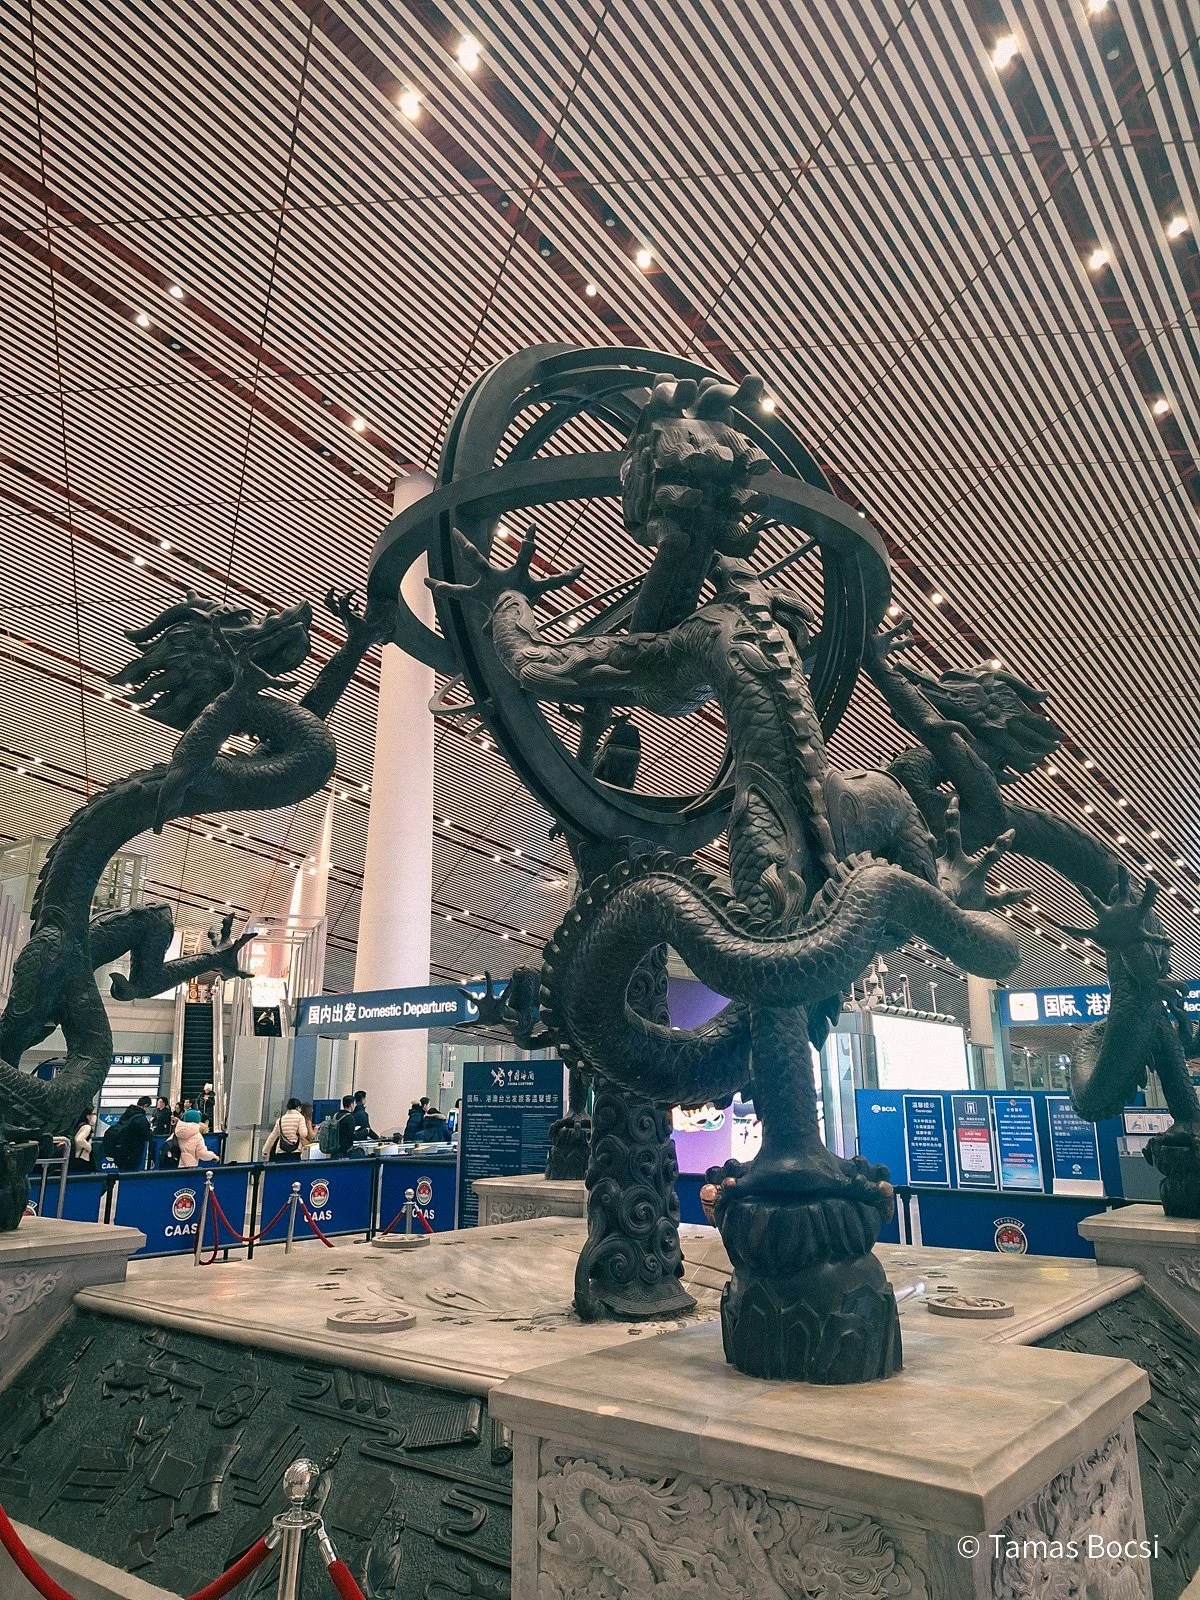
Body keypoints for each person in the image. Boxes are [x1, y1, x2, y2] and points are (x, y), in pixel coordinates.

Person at [102, 1097, 153, 1171]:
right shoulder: (140, 1118)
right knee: (130, 1173)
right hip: (132, 1152)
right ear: (146, 1105)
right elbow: (146, 1134)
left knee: (122, 1172)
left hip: (119, 1149)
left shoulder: (127, 1113)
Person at [337, 1090, 374, 1155]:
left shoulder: (336, 1115)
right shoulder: (350, 1117)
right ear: (351, 1105)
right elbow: (352, 1135)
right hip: (346, 1149)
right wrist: (365, 1131)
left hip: (336, 1147)